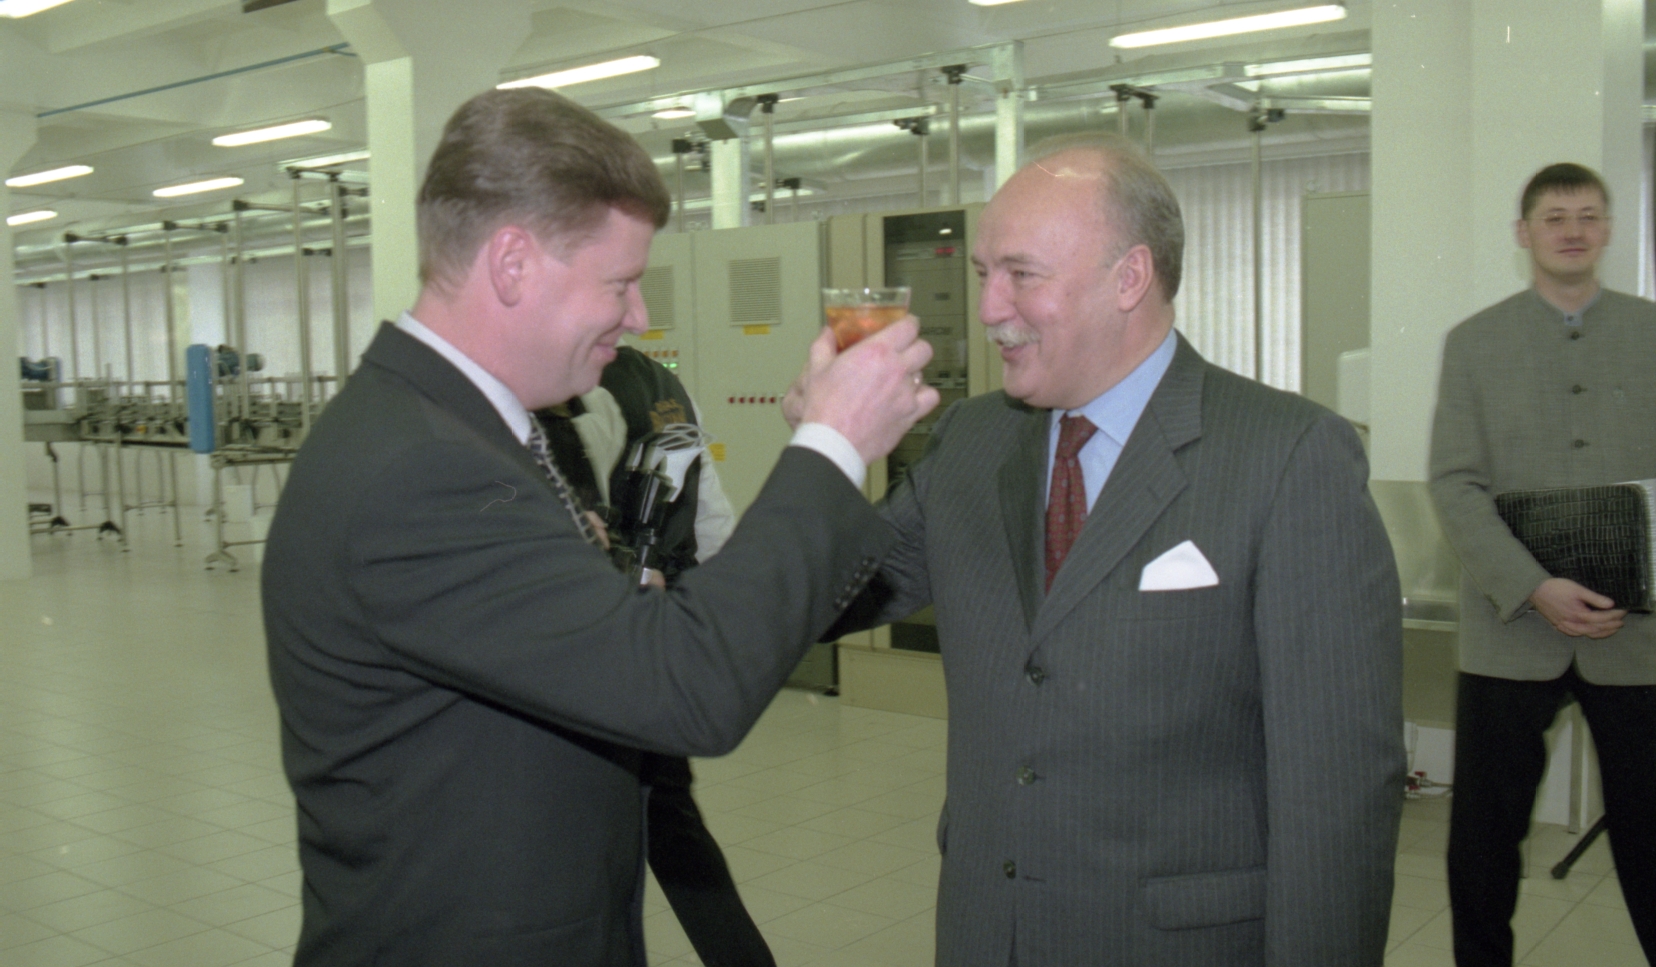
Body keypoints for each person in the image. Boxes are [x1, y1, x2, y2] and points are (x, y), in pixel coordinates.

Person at [261, 87, 936, 967]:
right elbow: (686, 688)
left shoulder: (466, 430)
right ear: (512, 263)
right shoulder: (422, 468)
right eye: (618, 282)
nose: (640, 315)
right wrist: (832, 445)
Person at [817, 133, 1404, 966]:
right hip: (991, 930)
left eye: (1022, 273)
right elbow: (818, 601)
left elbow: (1337, 787)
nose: (989, 309)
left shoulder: (1286, 456)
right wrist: (825, 449)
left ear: (1129, 278)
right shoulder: (971, 441)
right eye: (984, 273)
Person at [1429, 162, 1656, 966]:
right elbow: (1454, 483)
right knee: (1484, 840)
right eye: (1555, 216)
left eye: (1588, 215)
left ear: (1608, 229)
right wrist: (1533, 586)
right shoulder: (1475, 343)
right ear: (1524, 233)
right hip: (1510, 633)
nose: (1573, 230)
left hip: (1636, 637)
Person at [537, 346, 775, 967]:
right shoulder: (662, 384)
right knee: (674, 828)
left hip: (596, 646)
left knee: (601, 844)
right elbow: (710, 517)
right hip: (659, 637)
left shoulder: (561, 383)